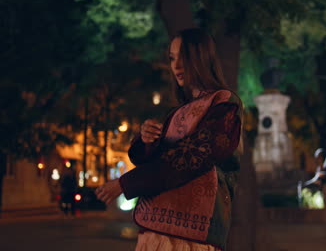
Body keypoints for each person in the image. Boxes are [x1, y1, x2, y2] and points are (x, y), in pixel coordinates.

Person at [95, 28, 242, 251]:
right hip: (156, 230)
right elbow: (163, 157)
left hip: (192, 236)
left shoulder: (224, 103)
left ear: (200, 57)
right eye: (172, 58)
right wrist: (148, 141)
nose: (176, 66)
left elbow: (192, 156)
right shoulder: (179, 111)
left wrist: (125, 184)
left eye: (183, 58)